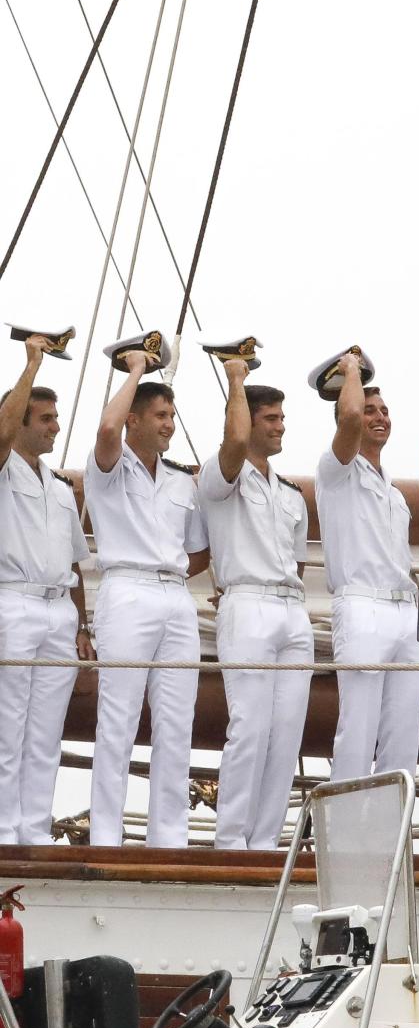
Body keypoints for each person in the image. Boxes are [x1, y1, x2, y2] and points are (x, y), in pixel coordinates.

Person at [85, 342, 207, 846]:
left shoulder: (182, 481)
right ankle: (106, 837)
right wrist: (135, 368)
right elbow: (107, 429)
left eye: (172, 416)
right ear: (135, 418)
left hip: (176, 597)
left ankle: (169, 839)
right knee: (118, 722)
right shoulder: (107, 466)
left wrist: (174, 574)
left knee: (177, 726)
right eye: (160, 415)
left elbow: (199, 552)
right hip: (127, 591)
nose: (169, 425)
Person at [198, 356, 312, 849]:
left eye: (282, 418)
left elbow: (298, 559)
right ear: (248, 420)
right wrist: (236, 382)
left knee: (286, 733)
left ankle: (265, 839)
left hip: (291, 608)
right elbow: (233, 444)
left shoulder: (291, 494)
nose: (280, 426)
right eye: (271, 418)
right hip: (246, 602)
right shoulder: (222, 476)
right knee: (249, 727)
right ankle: (230, 839)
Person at [314, 351, 419, 783]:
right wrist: (352, 371)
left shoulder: (393, 491)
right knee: (357, 733)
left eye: (385, 411)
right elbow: (350, 416)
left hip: (405, 612)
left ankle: (393, 842)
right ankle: (345, 840)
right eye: (370, 410)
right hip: (362, 606)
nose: (378, 417)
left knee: (403, 740)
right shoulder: (335, 471)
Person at [0, 335, 94, 844]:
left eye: (56, 418)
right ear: (18, 422)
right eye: (45, 418)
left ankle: (33, 831)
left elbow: (75, 564)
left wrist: (81, 624)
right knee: (6, 726)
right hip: (13, 602)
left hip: (58, 612)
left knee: (44, 734)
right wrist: (31, 366)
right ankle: (2, 831)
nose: (56, 426)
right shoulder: (2, 469)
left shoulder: (60, 487)